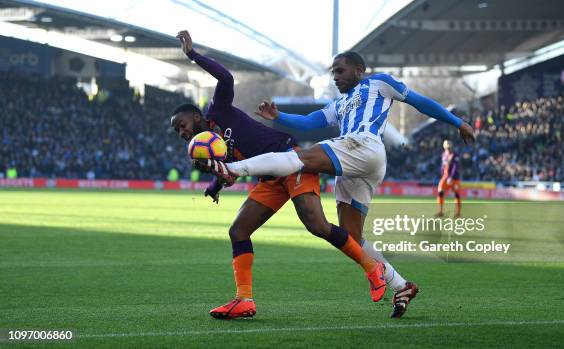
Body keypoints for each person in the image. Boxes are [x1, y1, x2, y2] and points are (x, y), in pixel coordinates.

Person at [195, 51, 476, 317]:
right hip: (356, 164)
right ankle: (401, 286)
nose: (335, 77)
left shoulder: (380, 83)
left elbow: (419, 101)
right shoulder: (338, 105)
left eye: (340, 71)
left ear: (359, 70)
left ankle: (231, 168)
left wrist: (457, 122)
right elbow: (307, 123)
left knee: (297, 158)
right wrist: (279, 117)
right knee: (352, 237)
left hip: (364, 144)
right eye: (333, 72)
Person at [171, 31, 386, 319]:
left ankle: (374, 268)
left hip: (290, 160)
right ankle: (244, 299)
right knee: (238, 231)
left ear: (196, 116)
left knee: (317, 225)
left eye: (182, 125)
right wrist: (215, 183)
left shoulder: (217, 109)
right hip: (269, 179)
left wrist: (192, 55)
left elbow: (226, 79)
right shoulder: (206, 153)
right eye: (178, 132)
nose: (182, 132)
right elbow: (233, 169)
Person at [435, 140, 462, 217]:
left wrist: (451, 177)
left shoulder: (455, 155)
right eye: (447, 148)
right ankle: (440, 211)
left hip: (454, 178)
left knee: (457, 194)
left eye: (450, 148)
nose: (449, 149)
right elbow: (442, 166)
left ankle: (458, 213)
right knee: (440, 192)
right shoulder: (444, 154)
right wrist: (442, 174)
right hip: (445, 177)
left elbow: (455, 166)